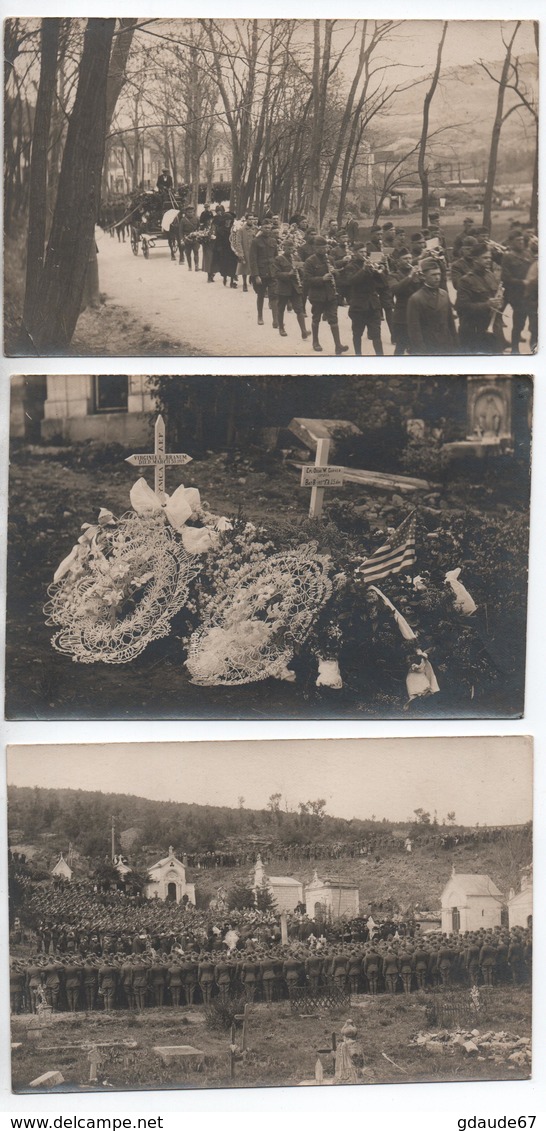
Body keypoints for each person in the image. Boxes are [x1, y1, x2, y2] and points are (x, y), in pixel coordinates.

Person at [456, 242, 506, 354]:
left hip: (493, 330)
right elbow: (461, 308)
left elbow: (496, 300)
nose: (488, 260)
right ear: (475, 260)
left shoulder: (490, 275)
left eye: (489, 257)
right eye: (484, 258)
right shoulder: (466, 281)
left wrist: (499, 303)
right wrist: (487, 304)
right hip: (475, 332)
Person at [340, 246, 391, 356]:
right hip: (358, 305)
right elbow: (351, 281)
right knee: (357, 334)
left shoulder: (371, 266)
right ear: (355, 253)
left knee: (376, 335)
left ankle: (381, 359)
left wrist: (380, 271)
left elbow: (384, 283)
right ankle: (359, 356)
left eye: (365, 251)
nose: (364, 254)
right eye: (361, 252)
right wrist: (363, 270)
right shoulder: (350, 267)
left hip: (373, 305)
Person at [303, 235, 348, 354]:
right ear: (315, 248)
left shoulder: (331, 259)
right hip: (317, 295)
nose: (324, 250)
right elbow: (307, 280)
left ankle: (338, 345)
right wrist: (322, 279)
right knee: (316, 318)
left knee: (333, 319)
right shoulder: (310, 261)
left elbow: (337, 276)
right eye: (321, 248)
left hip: (331, 294)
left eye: (326, 247)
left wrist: (334, 272)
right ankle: (315, 342)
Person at [406, 257, 458, 355]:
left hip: (446, 345)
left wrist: (455, 343)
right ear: (424, 277)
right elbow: (414, 330)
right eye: (433, 275)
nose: (437, 277)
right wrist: (421, 352)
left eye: (439, 274)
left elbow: (450, 323)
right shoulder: (416, 299)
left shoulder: (444, 294)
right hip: (429, 345)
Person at [271, 239, 310, 340]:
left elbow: (302, 273)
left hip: (295, 288)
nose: (291, 250)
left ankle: (303, 331)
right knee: (281, 308)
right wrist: (288, 274)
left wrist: (300, 271)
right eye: (288, 248)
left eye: (292, 248)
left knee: (299, 309)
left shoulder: (296, 257)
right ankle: (281, 328)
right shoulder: (278, 259)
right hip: (283, 288)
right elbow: (276, 274)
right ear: (283, 248)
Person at [501, 231, 533, 354]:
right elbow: (505, 277)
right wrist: (522, 282)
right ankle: (511, 347)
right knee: (504, 320)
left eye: (521, 240)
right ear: (511, 242)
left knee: (520, 323)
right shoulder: (508, 256)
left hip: (524, 294)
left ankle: (515, 347)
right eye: (517, 240)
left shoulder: (527, 253)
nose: (520, 242)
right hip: (512, 293)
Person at [388, 249, 421, 355]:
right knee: (400, 347)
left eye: (410, 258)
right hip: (402, 317)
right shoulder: (393, 275)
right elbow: (396, 288)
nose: (408, 261)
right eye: (405, 259)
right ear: (398, 261)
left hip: (416, 315)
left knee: (416, 347)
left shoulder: (418, 274)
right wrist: (410, 276)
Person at [249, 219, 280, 328]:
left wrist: (277, 271)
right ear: (261, 228)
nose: (267, 230)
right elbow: (253, 260)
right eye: (265, 227)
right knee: (261, 295)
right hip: (261, 273)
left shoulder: (273, 241)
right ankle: (260, 316)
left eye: (269, 228)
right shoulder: (256, 241)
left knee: (274, 296)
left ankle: (275, 320)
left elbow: (276, 257)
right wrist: (256, 275)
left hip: (272, 272)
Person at [230, 213, 257, 291]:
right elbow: (238, 242)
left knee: (254, 266)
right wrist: (240, 253)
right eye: (249, 219)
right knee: (244, 267)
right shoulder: (241, 230)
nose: (251, 221)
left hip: (253, 251)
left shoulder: (255, 229)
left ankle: (253, 280)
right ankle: (244, 283)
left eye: (252, 219)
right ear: (246, 220)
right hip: (245, 251)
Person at [179, 205, 200, 270]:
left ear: (193, 212)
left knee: (196, 252)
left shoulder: (196, 218)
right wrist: (182, 240)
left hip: (195, 238)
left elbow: (199, 228)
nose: (190, 213)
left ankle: (196, 266)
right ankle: (190, 266)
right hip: (187, 239)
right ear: (186, 213)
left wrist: (198, 234)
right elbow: (180, 231)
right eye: (188, 212)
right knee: (188, 253)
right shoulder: (183, 220)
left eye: (191, 212)